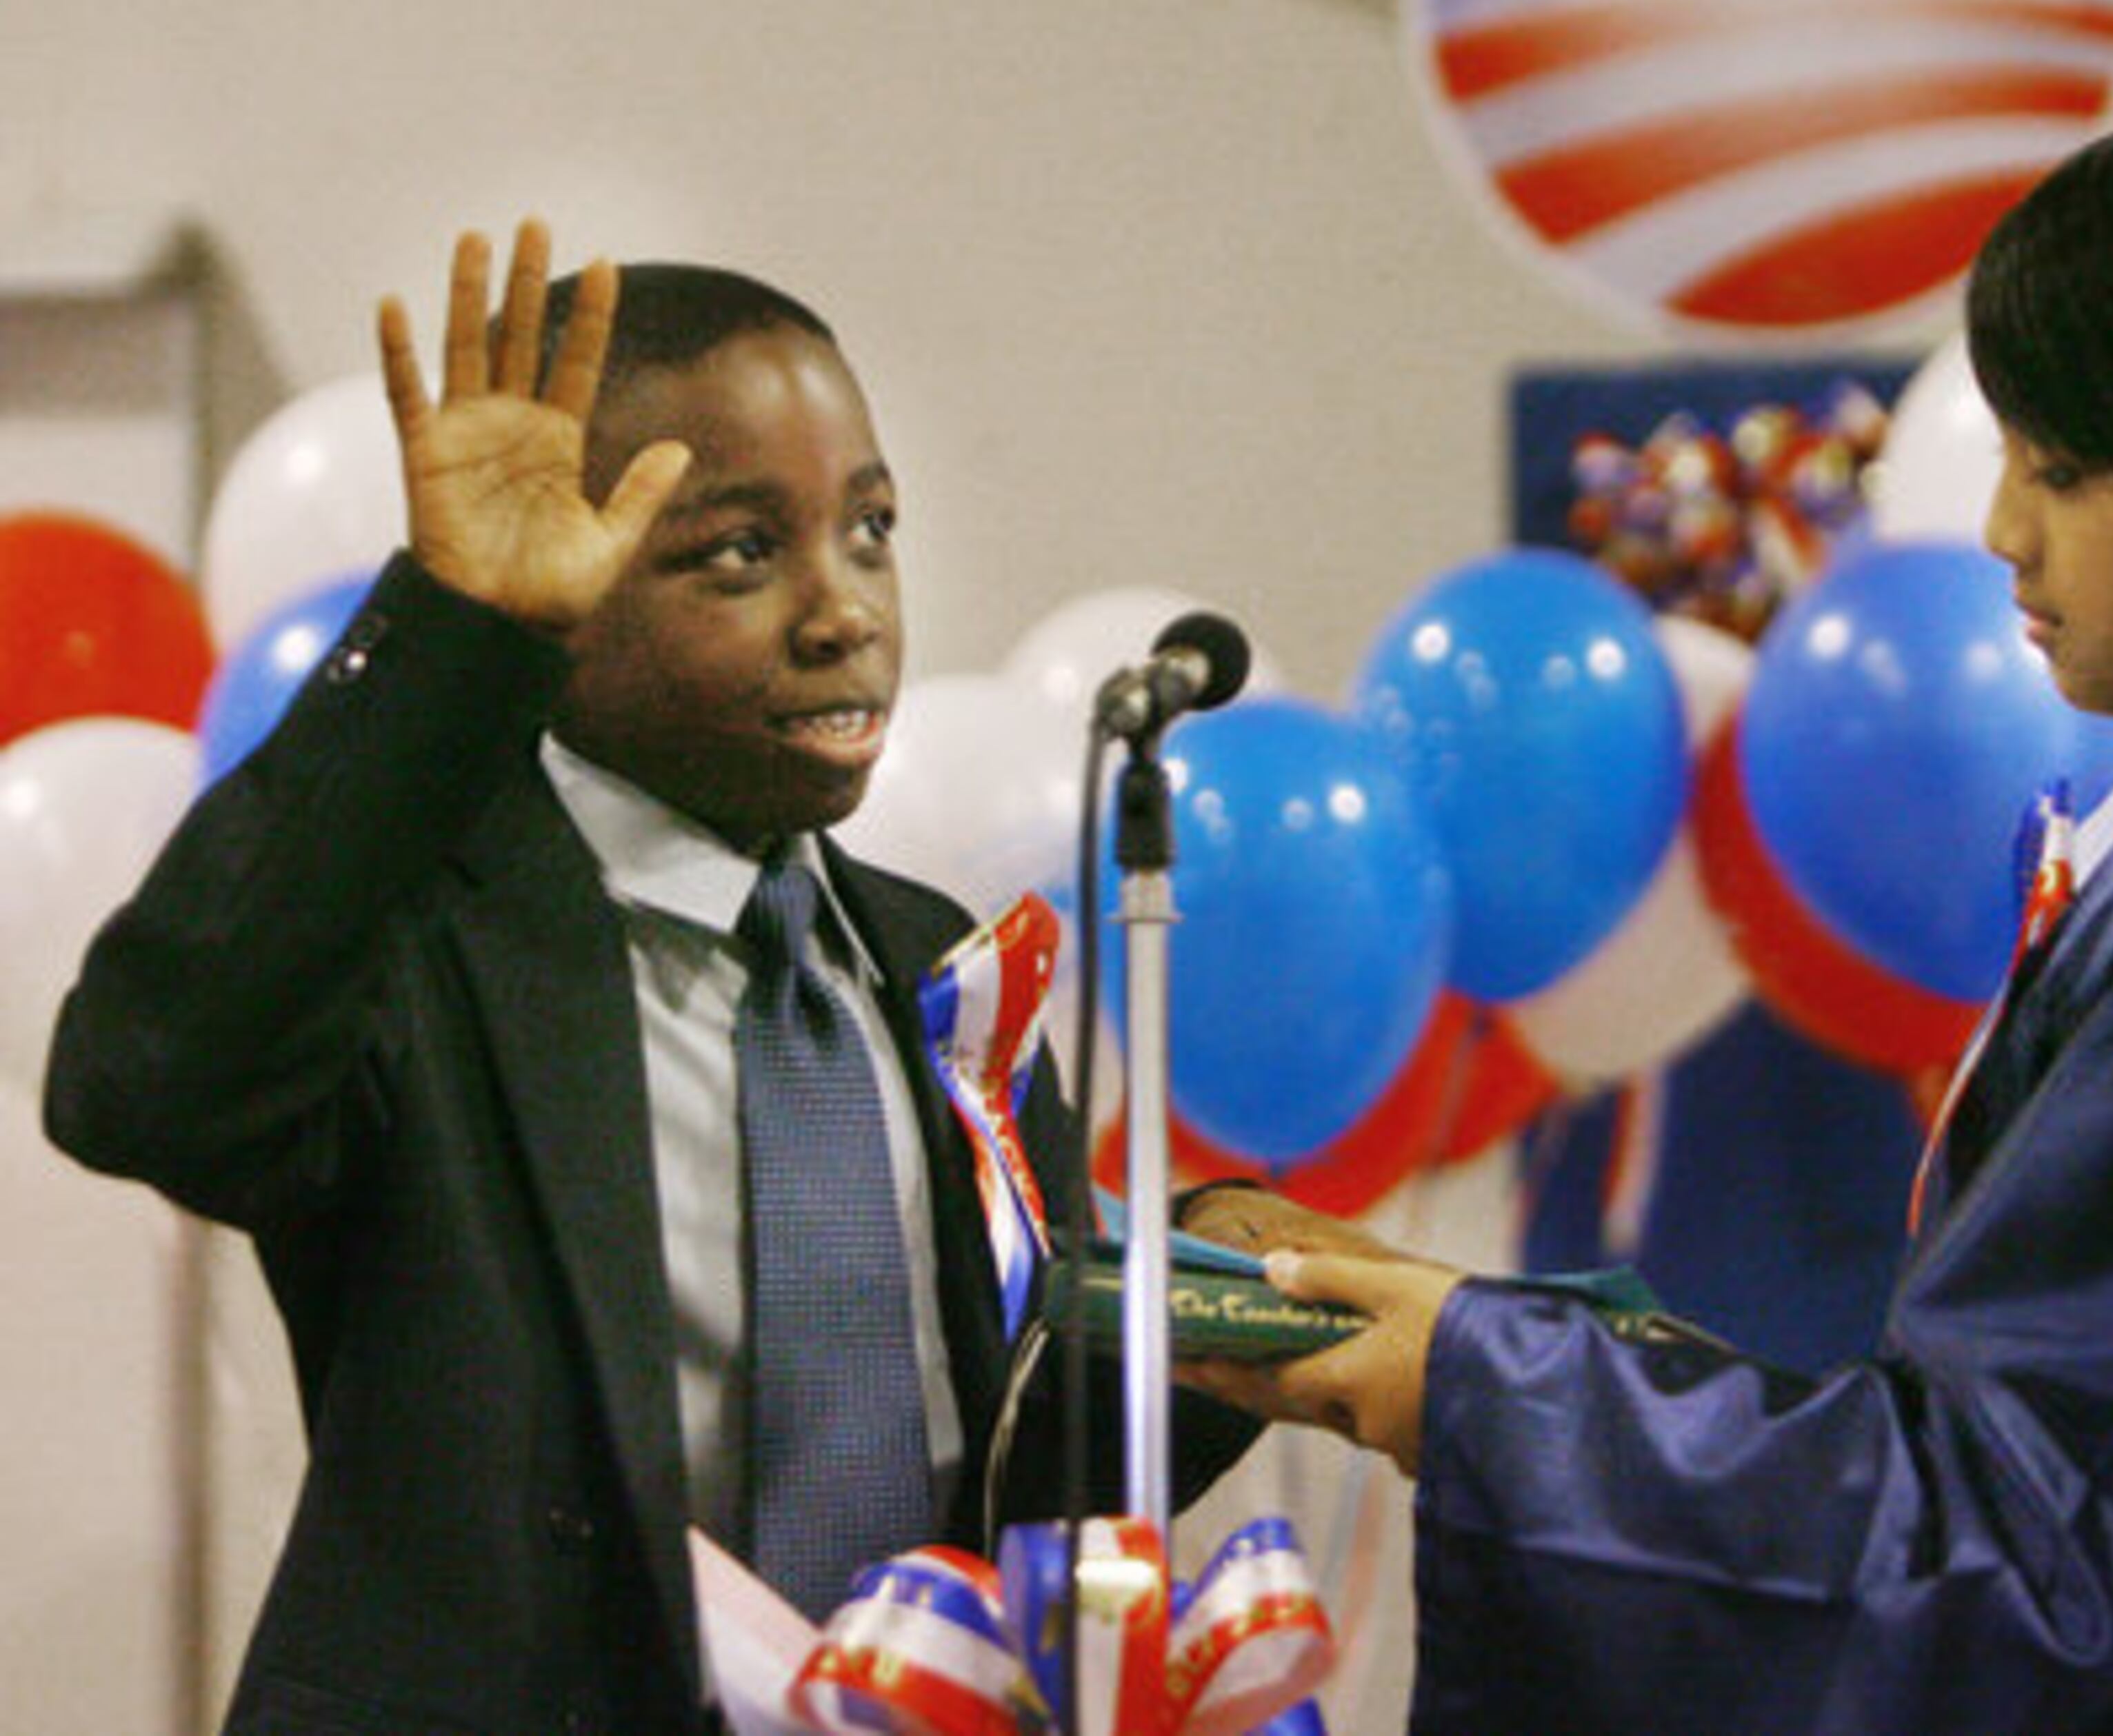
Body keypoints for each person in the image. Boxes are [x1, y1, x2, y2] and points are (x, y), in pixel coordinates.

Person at [1185, 103, 2113, 1732]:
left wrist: (1487, 1389)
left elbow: (2016, 1578)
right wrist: (1473, 1335)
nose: (2003, 530)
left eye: (2064, 468)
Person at [45, 221, 1259, 1734]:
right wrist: (452, 630)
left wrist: (1237, 1297)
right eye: (742, 553)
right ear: (569, 591)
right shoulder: (424, 938)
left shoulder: (934, 955)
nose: (846, 612)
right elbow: (145, 1088)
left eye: (870, 527)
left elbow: (1006, 1446)